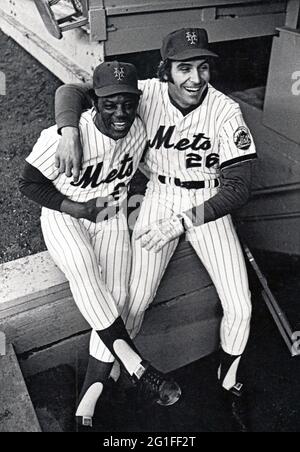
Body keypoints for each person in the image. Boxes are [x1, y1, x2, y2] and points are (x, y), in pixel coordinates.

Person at [54, 28, 257, 430]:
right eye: (185, 68)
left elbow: (239, 187)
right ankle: (100, 384)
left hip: (207, 204)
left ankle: (228, 380)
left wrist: (183, 222)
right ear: (166, 70)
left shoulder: (224, 110)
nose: (195, 78)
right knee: (135, 298)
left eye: (203, 67)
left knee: (241, 305)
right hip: (160, 196)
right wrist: (69, 129)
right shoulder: (144, 92)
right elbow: (71, 90)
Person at [19, 61, 181, 428]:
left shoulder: (137, 131)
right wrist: (76, 206)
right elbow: (28, 183)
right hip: (66, 215)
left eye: (128, 102)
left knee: (120, 294)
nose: (120, 112)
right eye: (110, 104)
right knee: (84, 269)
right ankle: (137, 365)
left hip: (108, 212)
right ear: (95, 103)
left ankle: (87, 402)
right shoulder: (62, 137)